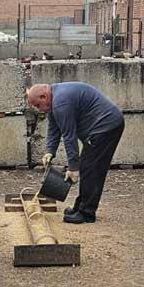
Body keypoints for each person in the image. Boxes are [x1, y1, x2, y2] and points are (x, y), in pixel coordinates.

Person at [27, 82, 124, 224]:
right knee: (87, 166)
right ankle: (81, 207)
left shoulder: (60, 103)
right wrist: (50, 151)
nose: (38, 109)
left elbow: (69, 136)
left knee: (92, 168)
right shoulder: (55, 100)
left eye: (37, 105)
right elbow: (54, 127)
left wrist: (73, 168)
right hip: (101, 126)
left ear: (44, 96)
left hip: (106, 126)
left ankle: (87, 213)